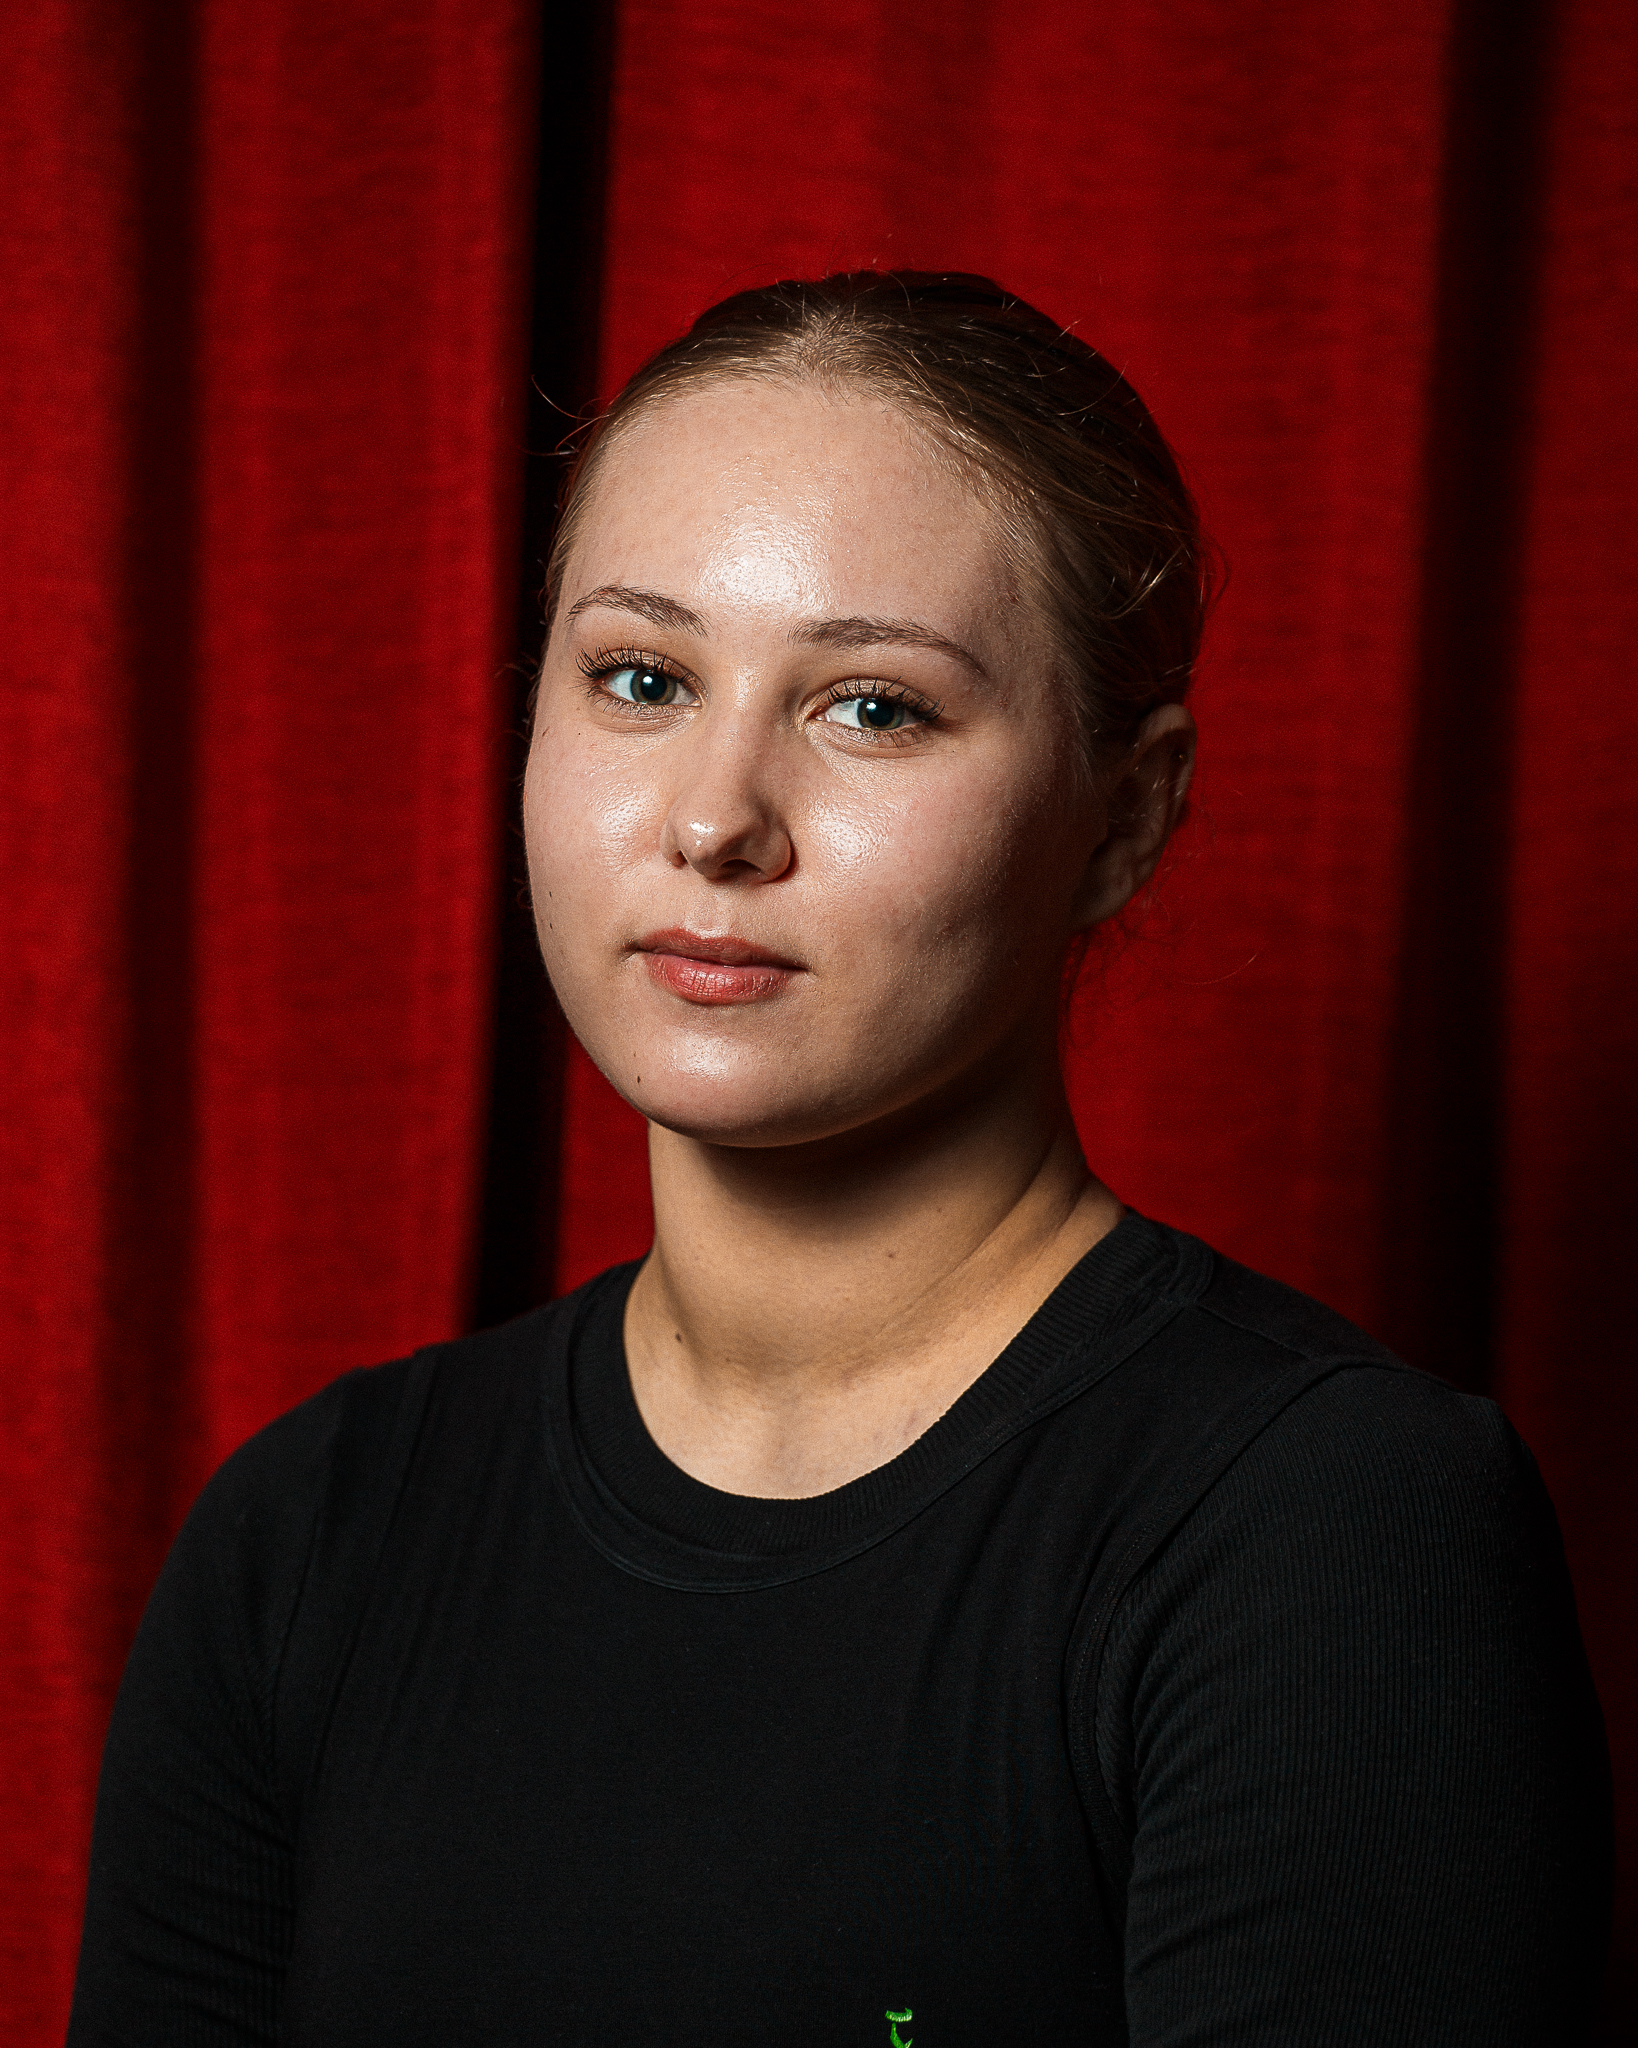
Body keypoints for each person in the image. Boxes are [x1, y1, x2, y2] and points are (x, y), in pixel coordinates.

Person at [68, 273, 1611, 2046]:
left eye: (871, 707)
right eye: (641, 678)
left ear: (1124, 815)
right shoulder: (307, 1541)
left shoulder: (1326, 1529)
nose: (714, 818)